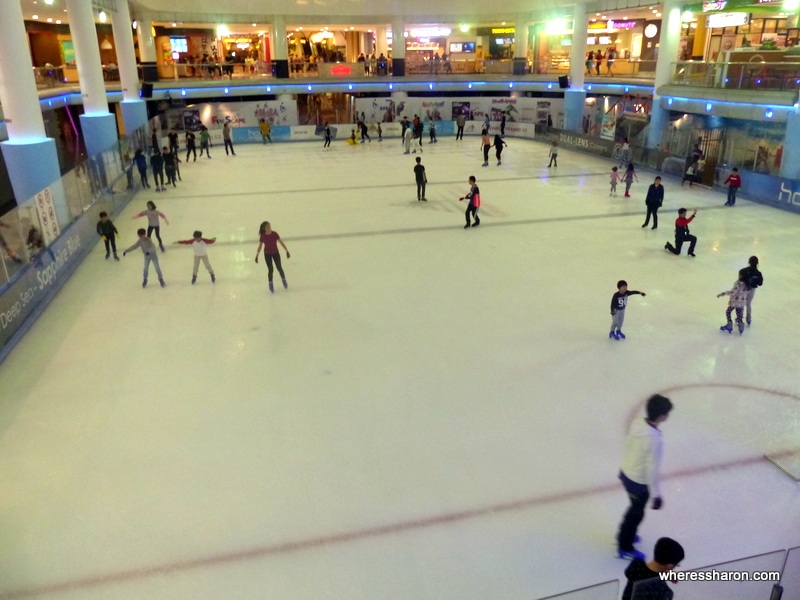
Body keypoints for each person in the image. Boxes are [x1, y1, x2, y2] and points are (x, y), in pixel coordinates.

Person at [616, 394, 673, 560]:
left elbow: (628, 444)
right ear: (662, 416)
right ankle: (625, 545)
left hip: (627, 473)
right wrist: (656, 495)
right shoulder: (654, 440)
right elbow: (652, 470)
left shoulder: (638, 423)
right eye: (667, 413)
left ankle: (626, 535)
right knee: (636, 513)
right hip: (638, 482)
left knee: (634, 509)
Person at [255, 221, 290, 293]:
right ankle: (270, 284)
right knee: (270, 269)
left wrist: (286, 250)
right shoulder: (263, 236)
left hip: (275, 253)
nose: (269, 228)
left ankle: (283, 279)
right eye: (267, 227)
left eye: (269, 226)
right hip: (267, 254)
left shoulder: (274, 234)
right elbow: (260, 246)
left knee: (279, 268)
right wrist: (257, 255)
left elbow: (281, 242)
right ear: (264, 228)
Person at [717, 268, 750, 334]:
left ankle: (729, 325)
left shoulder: (738, 283)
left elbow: (733, 292)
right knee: (739, 315)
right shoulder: (748, 284)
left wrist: (722, 294)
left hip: (734, 302)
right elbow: (748, 292)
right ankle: (741, 326)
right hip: (741, 303)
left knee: (728, 312)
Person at [742, 255, 763, 326]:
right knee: (748, 303)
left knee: (741, 303)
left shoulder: (744, 271)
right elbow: (760, 283)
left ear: (749, 262)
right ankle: (748, 318)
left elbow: (741, 279)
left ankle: (740, 317)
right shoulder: (758, 273)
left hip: (744, 289)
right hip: (752, 290)